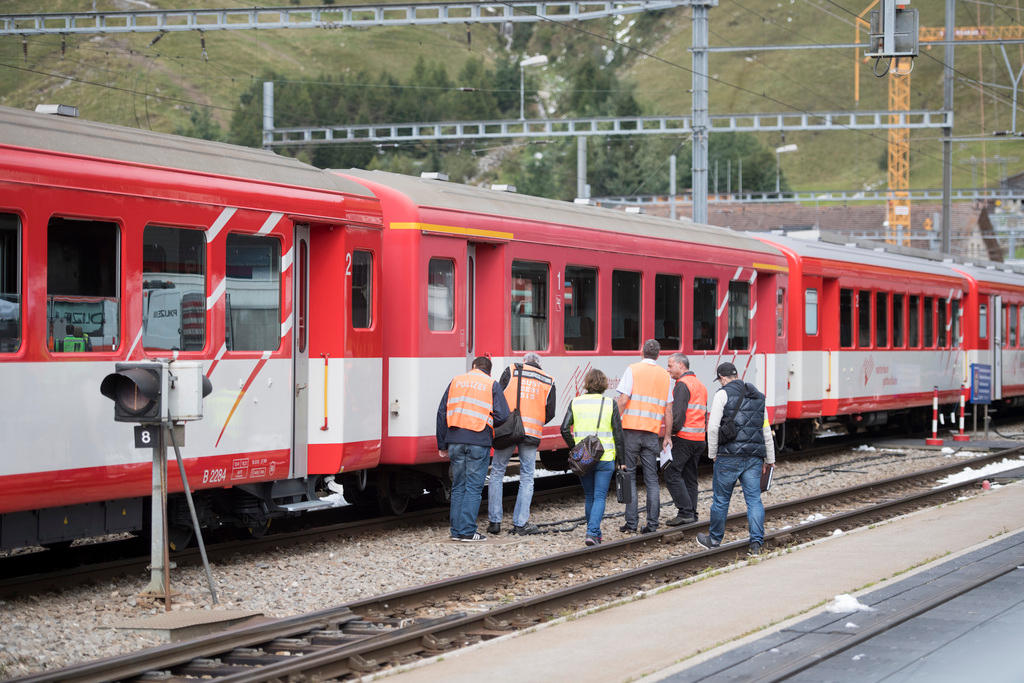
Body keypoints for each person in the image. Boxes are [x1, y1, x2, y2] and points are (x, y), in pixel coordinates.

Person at [696, 362, 776, 556]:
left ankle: (714, 540)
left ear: (722, 378)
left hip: (728, 457)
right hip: (754, 457)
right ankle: (756, 544)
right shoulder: (758, 396)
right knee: (754, 500)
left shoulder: (722, 394)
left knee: (721, 500)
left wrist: (712, 454)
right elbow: (766, 430)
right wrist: (770, 459)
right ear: (736, 375)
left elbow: (713, 427)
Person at [437, 356, 511, 542]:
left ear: (473, 366)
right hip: (478, 440)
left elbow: (441, 412)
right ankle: (468, 531)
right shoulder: (491, 383)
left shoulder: (456, 381)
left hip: (454, 440)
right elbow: (503, 415)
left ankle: (456, 531)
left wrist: (442, 444)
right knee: (473, 488)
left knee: (458, 486)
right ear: (489, 370)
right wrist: (488, 420)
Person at [488, 352, 556, 536]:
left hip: (508, 429)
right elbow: (550, 412)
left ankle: (495, 522)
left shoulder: (512, 370)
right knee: (527, 477)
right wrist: (534, 421)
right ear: (539, 364)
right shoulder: (548, 380)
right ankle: (520, 524)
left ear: (524, 361)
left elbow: (498, 397)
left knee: (497, 472)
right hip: (531, 433)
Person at [561, 368, 625, 545]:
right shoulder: (609, 404)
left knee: (589, 496)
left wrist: (575, 449)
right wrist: (623, 461)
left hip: (584, 459)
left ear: (587, 383)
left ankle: (592, 531)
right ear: (604, 384)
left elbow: (564, 428)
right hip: (605, 458)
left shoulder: (576, 402)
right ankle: (593, 532)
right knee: (599, 496)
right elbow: (619, 435)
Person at [616, 338, 672, 533]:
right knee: (652, 480)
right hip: (651, 434)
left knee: (629, 476)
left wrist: (614, 422)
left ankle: (631, 524)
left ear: (641, 351)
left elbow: (623, 400)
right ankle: (653, 524)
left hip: (630, 432)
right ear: (658, 355)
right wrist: (667, 436)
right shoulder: (665, 375)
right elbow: (668, 410)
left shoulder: (633, 369)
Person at [665, 353, 707, 527]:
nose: (668, 370)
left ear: (681, 365)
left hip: (685, 437)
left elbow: (678, 415)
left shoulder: (682, 385)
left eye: (670, 366)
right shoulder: (700, 385)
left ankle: (685, 511)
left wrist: (670, 433)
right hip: (699, 438)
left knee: (671, 472)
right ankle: (692, 512)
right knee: (690, 476)